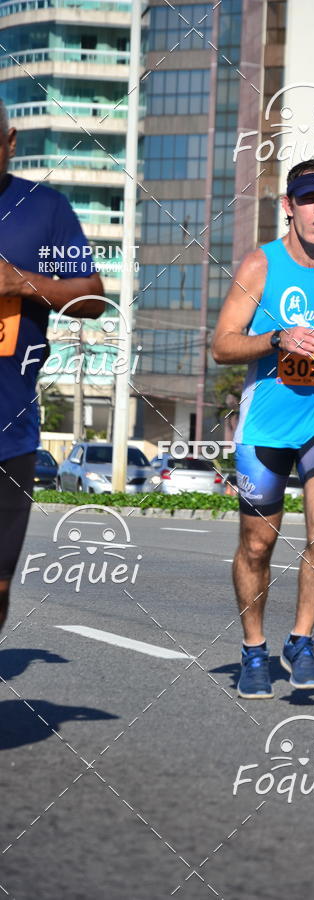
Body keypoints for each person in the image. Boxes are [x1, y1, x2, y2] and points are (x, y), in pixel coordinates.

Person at [212, 157, 314, 698]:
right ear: (288, 207)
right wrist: (276, 340)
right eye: (309, 200)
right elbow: (222, 345)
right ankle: (253, 650)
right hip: (265, 424)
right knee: (257, 545)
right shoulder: (260, 266)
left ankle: (302, 640)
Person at [0, 100, 104, 632]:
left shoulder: (45, 210)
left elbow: (91, 296)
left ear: (10, 142)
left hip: (11, 432)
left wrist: (21, 283)